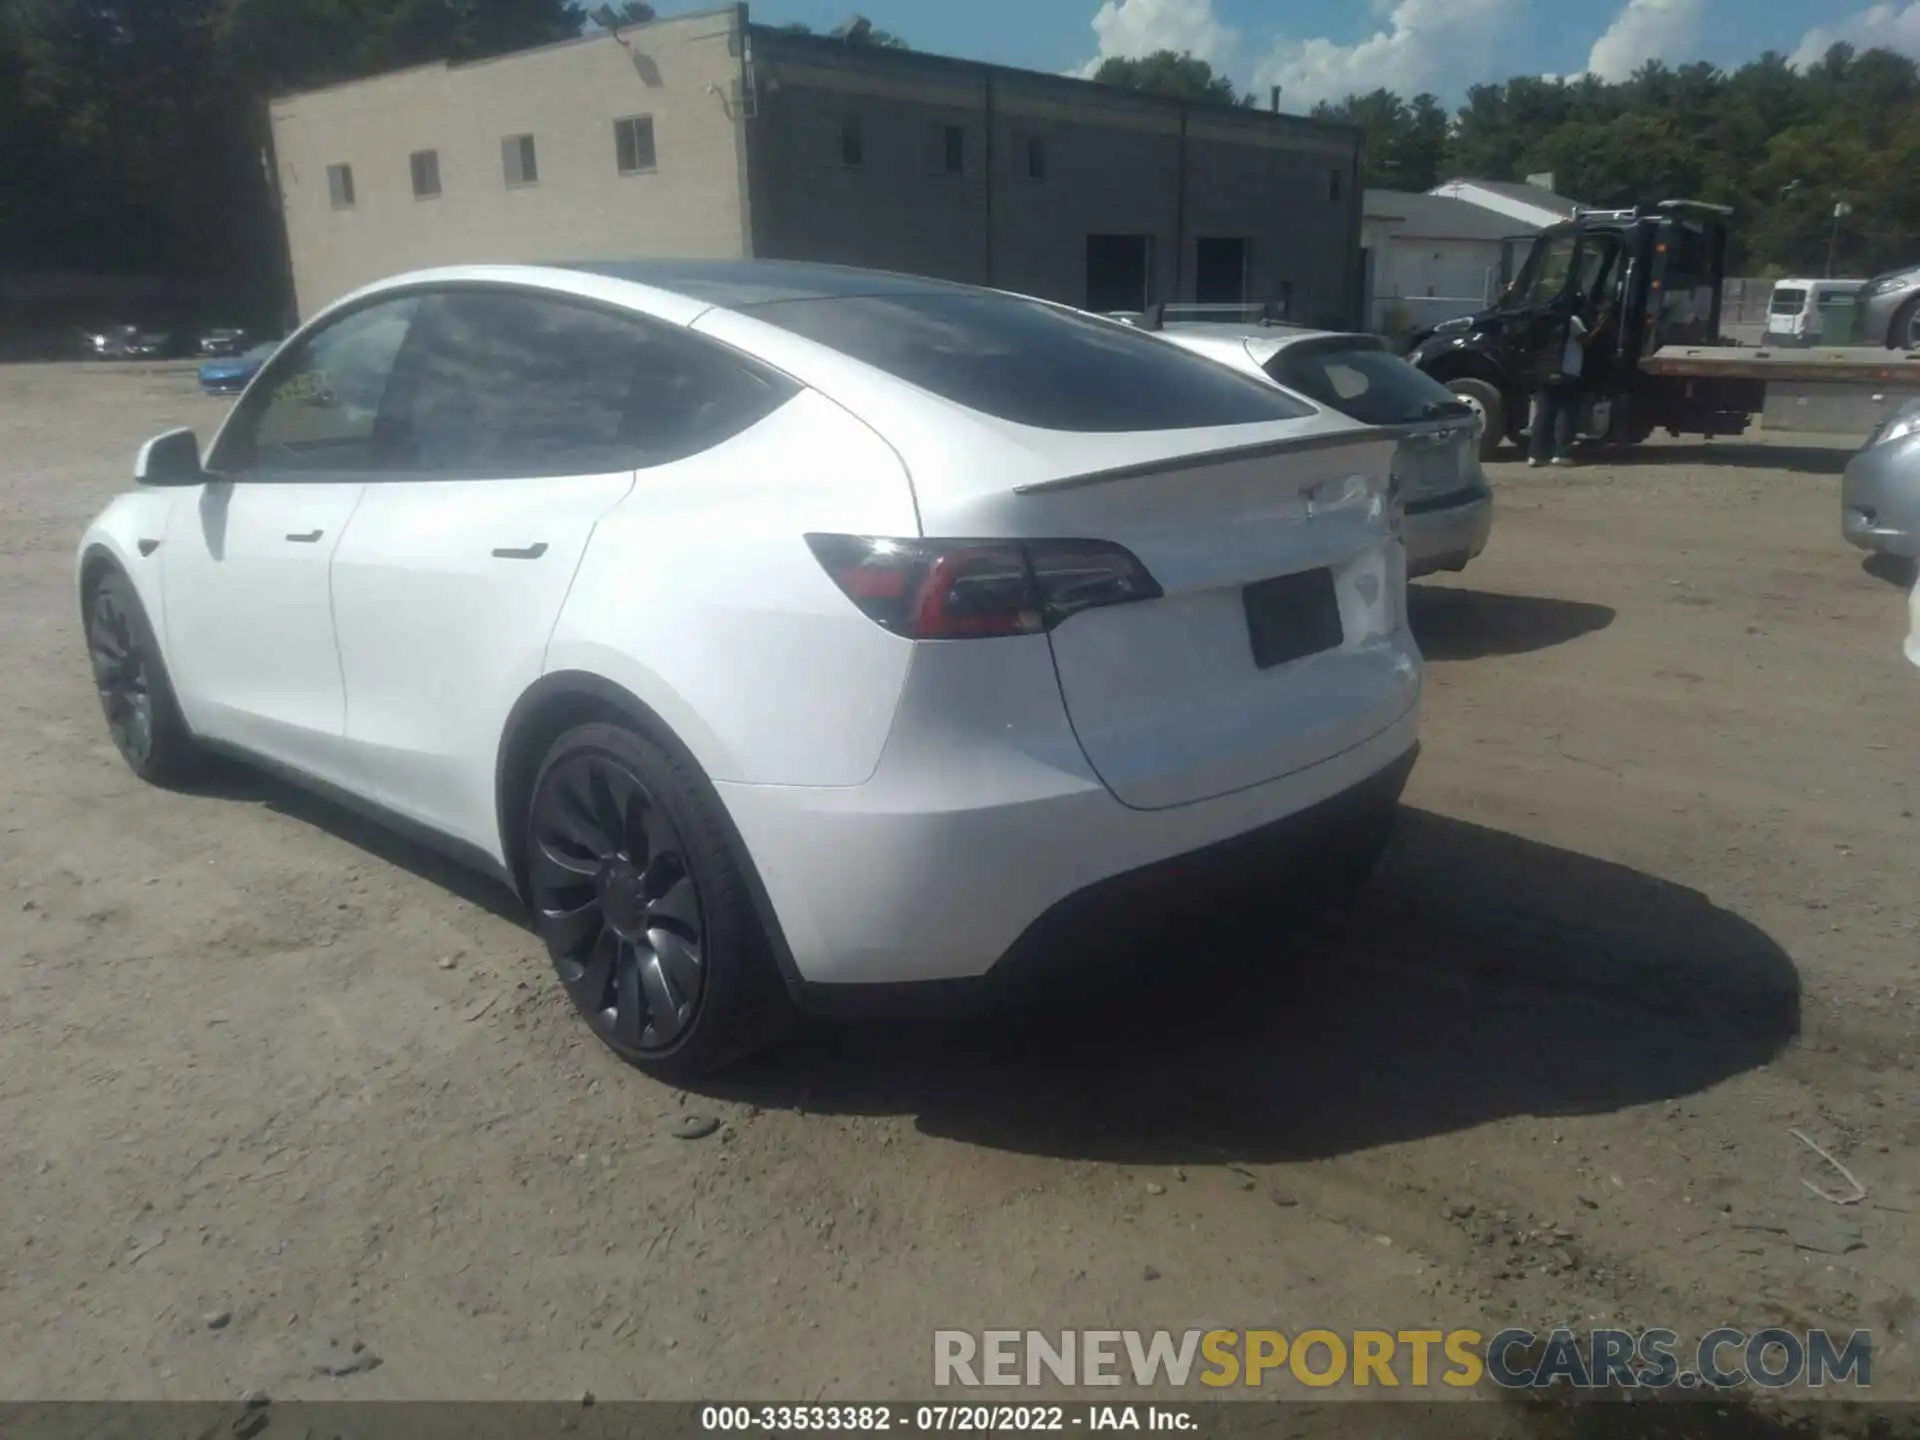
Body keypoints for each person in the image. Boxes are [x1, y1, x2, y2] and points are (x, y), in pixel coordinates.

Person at [1528, 305, 1593, 468]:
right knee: (1566, 412)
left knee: (1542, 414)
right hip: (1567, 372)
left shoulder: (1541, 321)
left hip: (1543, 372)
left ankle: (1536, 455)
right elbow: (1585, 340)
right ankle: (1561, 453)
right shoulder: (1572, 320)